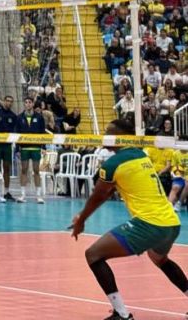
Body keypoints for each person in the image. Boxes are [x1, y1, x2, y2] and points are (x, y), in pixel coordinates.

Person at [70, 119, 187, 320]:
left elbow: (99, 195)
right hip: (171, 223)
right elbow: (108, 192)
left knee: (93, 255)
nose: (105, 136)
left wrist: (81, 220)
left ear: (121, 136)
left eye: (109, 132)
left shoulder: (113, 164)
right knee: (160, 259)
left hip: (149, 224)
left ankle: (122, 314)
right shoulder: (141, 155)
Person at [17, 98, 46, 203]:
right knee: (24, 170)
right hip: (24, 148)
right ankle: (22, 195)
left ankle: (38, 196)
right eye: (26, 102)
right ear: (24, 104)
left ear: (33, 104)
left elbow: (43, 133)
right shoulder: (19, 117)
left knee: (36, 170)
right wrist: (17, 149)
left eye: (29, 102)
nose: (28, 104)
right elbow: (17, 134)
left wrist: (43, 147)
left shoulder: (39, 117)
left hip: (36, 147)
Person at [0, 95, 19, 203]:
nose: (9, 103)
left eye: (11, 101)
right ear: (3, 101)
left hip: (7, 146)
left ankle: (6, 192)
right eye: (7, 101)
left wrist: (16, 148)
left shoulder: (13, 116)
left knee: (7, 168)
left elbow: (15, 133)